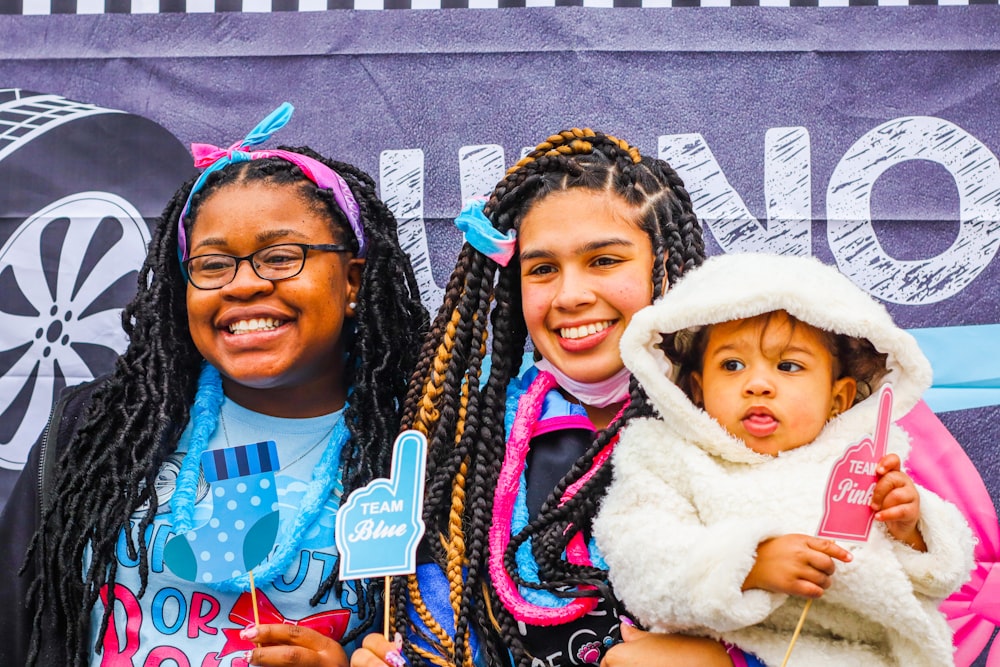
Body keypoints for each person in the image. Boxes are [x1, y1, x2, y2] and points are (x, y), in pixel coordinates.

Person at [0, 103, 428, 667]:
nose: (245, 285)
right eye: (213, 264)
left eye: (281, 256)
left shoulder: (420, 452)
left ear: (352, 281)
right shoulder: (95, 430)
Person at [352, 128, 761, 667]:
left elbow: (846, 627)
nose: (570, 295)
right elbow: (445, 638)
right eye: (542, 269)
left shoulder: (752, 425)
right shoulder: (474, 450)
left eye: (605, 261)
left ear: (666, 266)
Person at [594, 253, 975, 666]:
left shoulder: (865, 458)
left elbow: (942, 575)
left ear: (839, 398)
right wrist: (748, 565)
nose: (758, 384)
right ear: (698, 388)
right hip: (730, 646)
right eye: (733, 365)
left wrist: (911, 528)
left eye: (789, 366)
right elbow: (641, 556)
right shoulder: (666, 455)